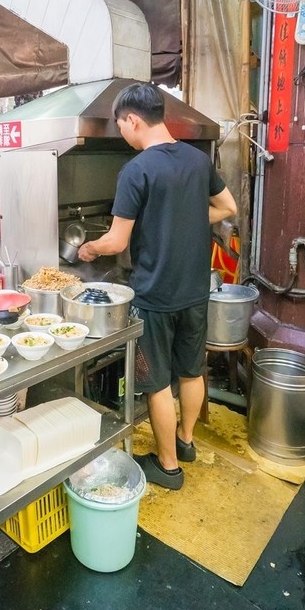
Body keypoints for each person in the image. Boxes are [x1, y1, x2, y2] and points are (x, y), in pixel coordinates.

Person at [78, 83, 237, 491]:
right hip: (195, 291)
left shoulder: (137, 170)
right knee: (190, 371)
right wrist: (185, 218)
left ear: (132, 120)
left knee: (157, 384)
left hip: (156, 296)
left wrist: (89, 248)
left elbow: (116, 242)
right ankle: (185, 442)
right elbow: (227, 208)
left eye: (121, 127)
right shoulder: (197, 160)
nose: (123, 136)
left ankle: (167, 468)